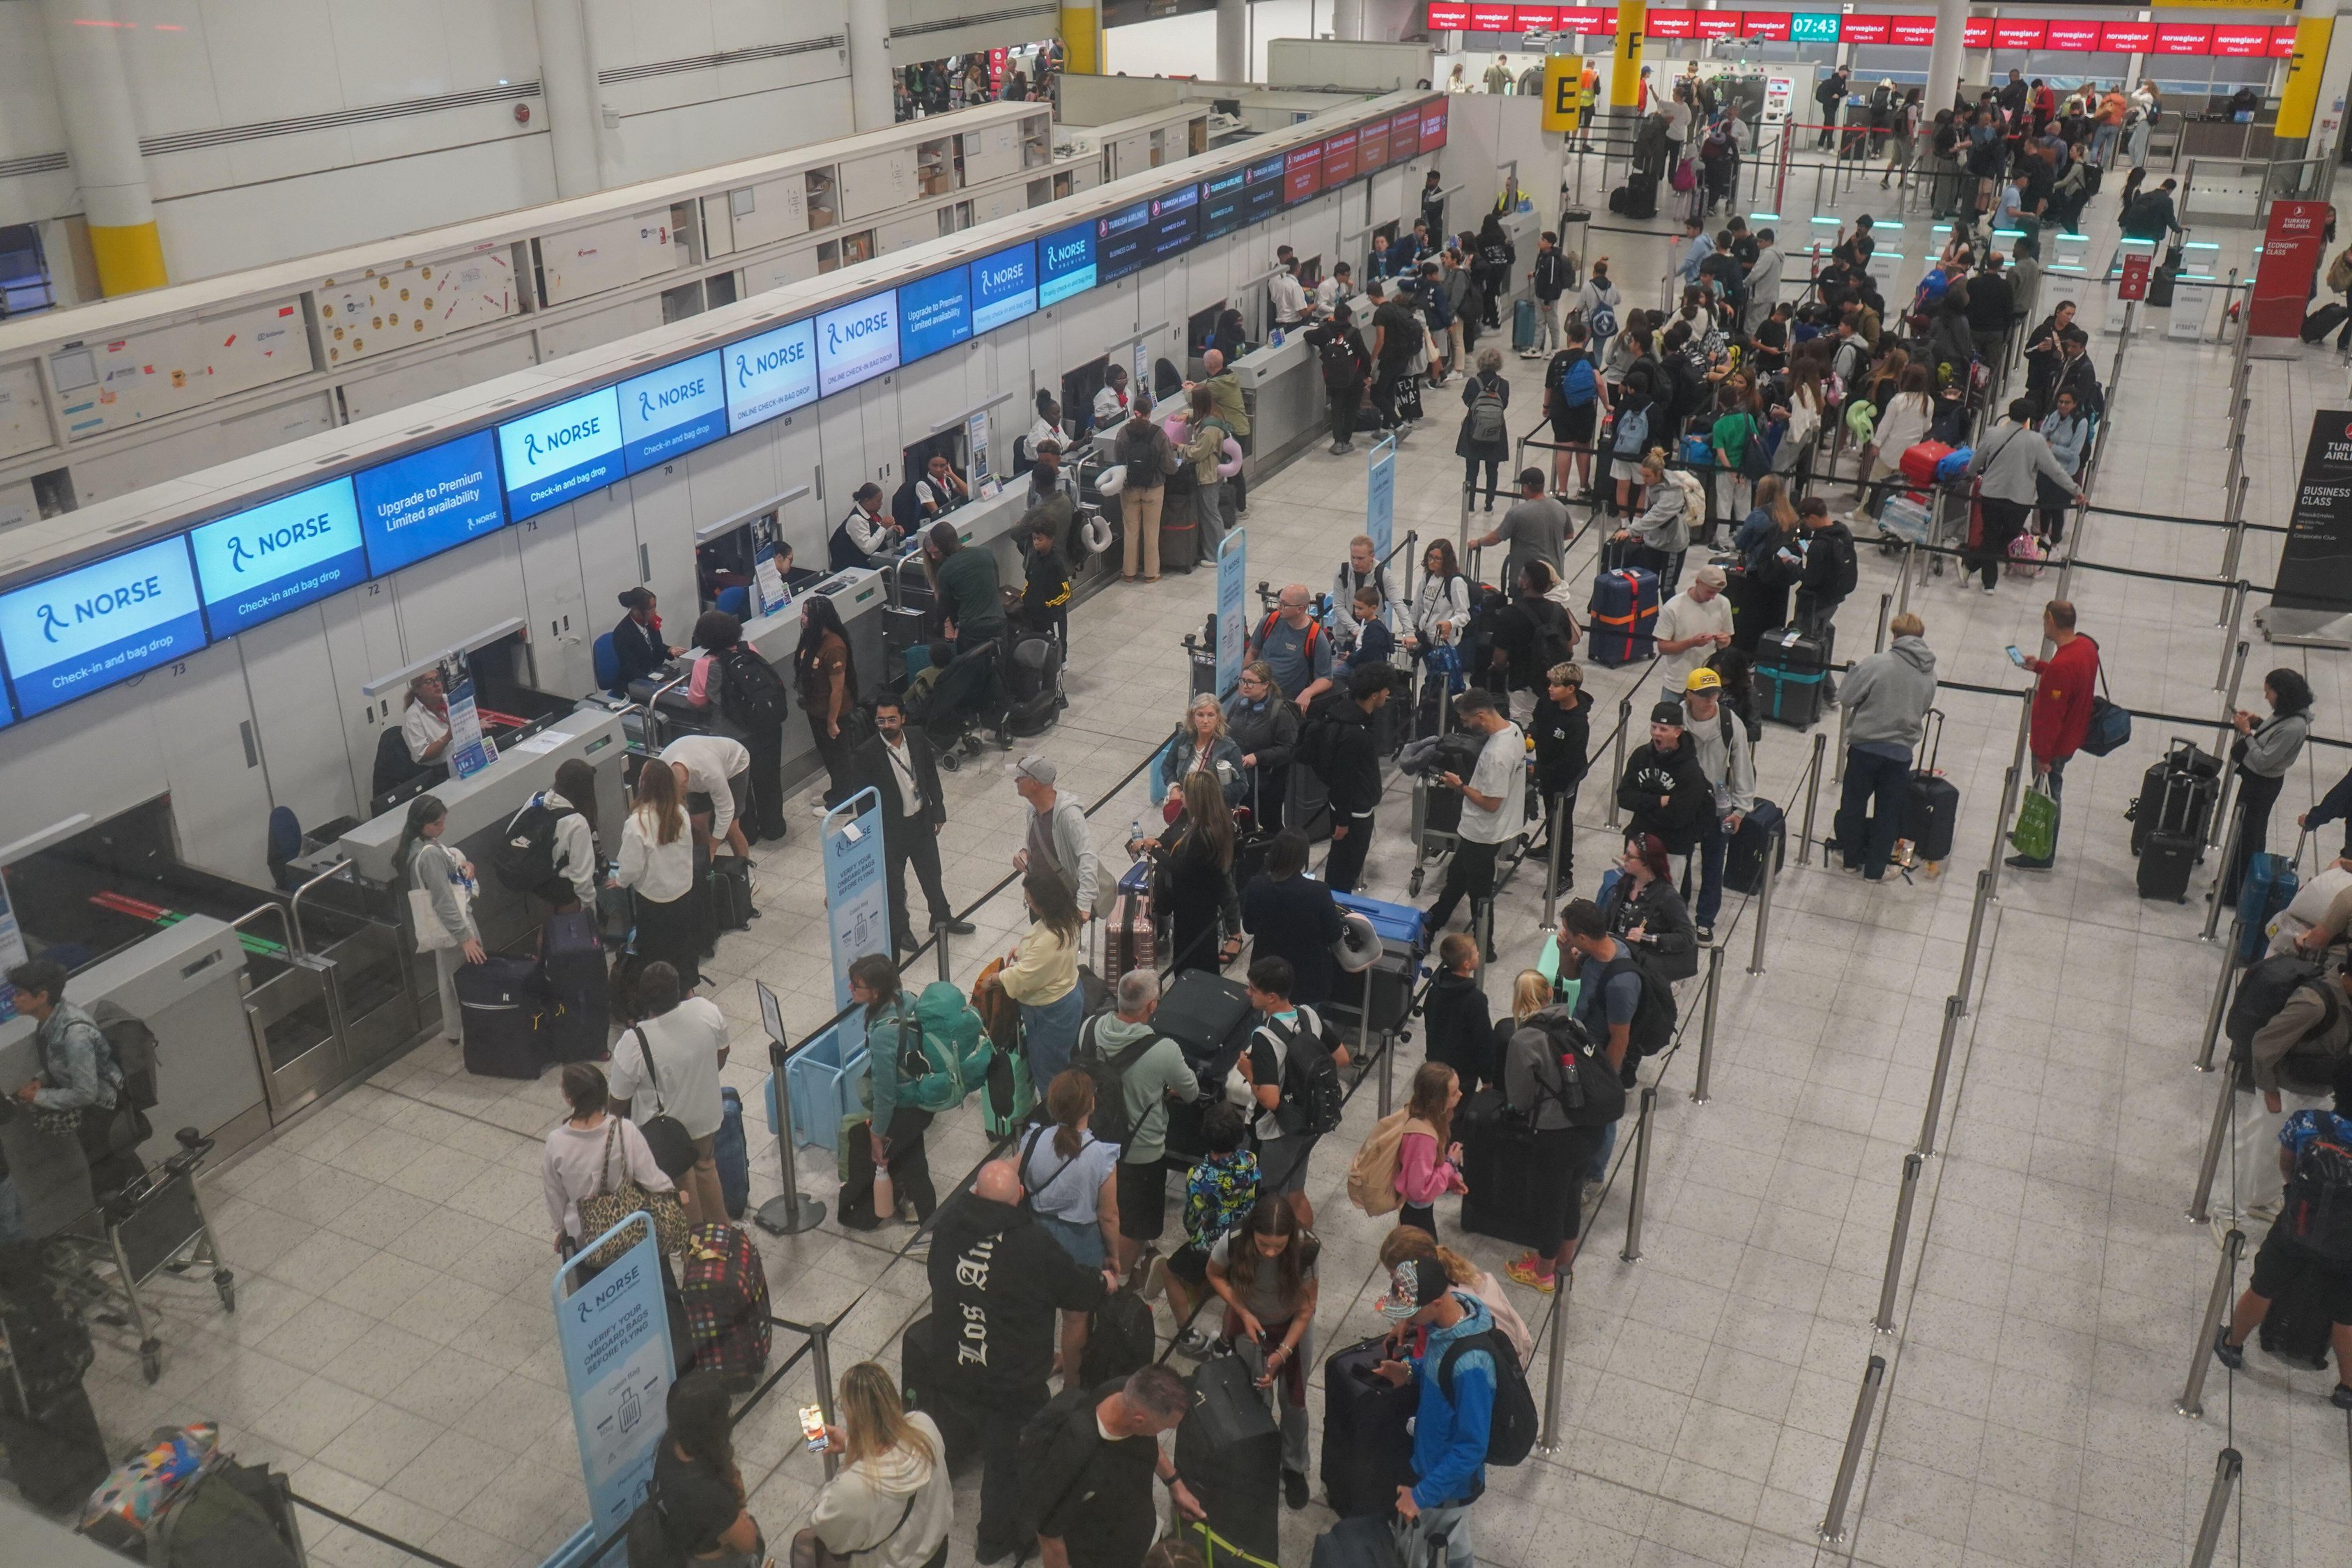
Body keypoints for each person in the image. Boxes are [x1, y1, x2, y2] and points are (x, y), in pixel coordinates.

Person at [928, 1159, 1116, 1565]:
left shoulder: (945, 1229)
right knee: (1006, 1464)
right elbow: (1077, 1291)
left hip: (951, 1365)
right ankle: (994, 1543)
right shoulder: (1032, 1244)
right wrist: (1104, 1282)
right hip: (1006, 1386)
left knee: (961, 1430)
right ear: (1020, 1199)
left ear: (975, 1194)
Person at [2209, 1057, 2352, 1410]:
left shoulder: (2308, 1122)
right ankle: (2347, 1387)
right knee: (2346, 1315)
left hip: (2295, 1228)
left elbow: (2287, 1164)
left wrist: (2296, 1199)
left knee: (2263, 1287)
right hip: (2347, 1249)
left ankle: (2233, 1343)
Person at [1369, 1256, 1494, 1568]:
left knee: (1423, 1551)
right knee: (1456, 1540)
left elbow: (1472, 1447)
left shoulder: (1473, 1365)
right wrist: (1410, 1371)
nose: (1407, 1321)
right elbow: (1440, 1368)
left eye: (1411, 1313)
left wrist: (1421, 1495)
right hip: (1434, 1465)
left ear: (1436, 1303)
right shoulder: (1445, 1327)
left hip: (1447, 1484)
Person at [1082, 970, 1203, 1275]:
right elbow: (1191, 1093)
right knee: (1135, 1224)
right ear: (1151, 1006)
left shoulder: (1089, 1028)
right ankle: (1116, 1280)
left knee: (1101, 1208)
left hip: (1092, 1140)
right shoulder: (1164, 1050)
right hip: (1140, 1152)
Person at [1206, 1196, 1323, 1505]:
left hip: (1292, 1327)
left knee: (1294, 1401)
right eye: (1263, 1245)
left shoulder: (1307, 1249)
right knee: (1254, 1398)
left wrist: (1283, 1352)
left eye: (1279, 1246)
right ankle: (1256, 1462)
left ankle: (1294, 1466)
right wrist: (1243, 1313)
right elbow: (1215, 1274)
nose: (1271, 1252)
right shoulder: (1232, 1241)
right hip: (1251, 1324)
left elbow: (1305, 1309)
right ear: (1251, 1235)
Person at [1022, 1367, 1201, 1568]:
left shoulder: (1126, 1391)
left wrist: (1175, 1484)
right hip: (1099, 1554)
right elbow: (1049, 1537)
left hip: (1134, 1528)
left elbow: (1148, 1443)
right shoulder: (1076, 1456)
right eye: (1166, 1427)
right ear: (1139, 1420)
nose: (1169, 1431)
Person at [796, 1362, 953, 1568]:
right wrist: (849, 1443)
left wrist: (849, 1461)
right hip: (936, 1551)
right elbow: (893, 1454)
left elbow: (828, 1532)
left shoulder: (853, 1486)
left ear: (853, 1415)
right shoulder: (923, 1428)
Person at [6, 958, 141, 1197]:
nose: (14, 1000)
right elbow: (62, 1064)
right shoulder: (51, 1022)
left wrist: (39, 1096)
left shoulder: (74, 1035)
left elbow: (85, 1093)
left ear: (42, 997)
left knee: (111, 1177)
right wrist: (42, 1080)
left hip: (103, 1114)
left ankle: (136, 1221)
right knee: (117, 1168)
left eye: (20, 994)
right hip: (94, 1113)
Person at [608, 962, 728, 1228]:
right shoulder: (706, 1011)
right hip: (705, 1115)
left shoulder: (634, 1042)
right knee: (706, 1168)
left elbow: (617, 1100)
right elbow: (721, 1055)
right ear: (678, 991)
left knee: (681, 1184)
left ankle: (694, 1249)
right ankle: (724, 1239)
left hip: (666, 1134)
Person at [1019, 1070, 1123, 1379]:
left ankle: (1040, 1365)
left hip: (1036, 1234)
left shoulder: (1033, 1138)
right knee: (1076, 1318)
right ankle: (1073, 1385)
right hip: (1081, 1242)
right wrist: (1114, 1254)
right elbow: (1108, 1215)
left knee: (1037, 1309)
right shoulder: (1101, 1156)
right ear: (1090, 1105)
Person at [856, 694, 971, 957]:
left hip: (921, 821)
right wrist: (872, 836)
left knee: (932, 873)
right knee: (895, 887)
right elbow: (863, 801)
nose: (886, 725)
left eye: (892, 719)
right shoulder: (866, 754)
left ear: (903, 718)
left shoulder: (917, 736)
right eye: (881, 720)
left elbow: (930, 774)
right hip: (891, 832)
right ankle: (902, 928)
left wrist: (938, 810)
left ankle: (942, 917)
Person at [1240, 956, 1348, 1228]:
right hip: (1311, 1117)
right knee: (1296, 1192)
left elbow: (1270, 1099)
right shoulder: (1309, 1015)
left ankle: (1279, 1256)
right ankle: (1305, 1251)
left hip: (1281, 1129)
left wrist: (1248, 1072)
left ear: (1272, 997)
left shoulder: (1264, 1037)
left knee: (1272, 1199)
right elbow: (1343, 1057)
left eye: (1253, 989)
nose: (1248, 993)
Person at [1420, 687, 1527, 948]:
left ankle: (1484, 946)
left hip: (1484, 831)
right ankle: (1433, 922)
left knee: (1480, 894)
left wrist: (1459, 786)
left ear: (1480, 715)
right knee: (1457, 878)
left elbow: (1491, 803)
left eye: (1467, 721)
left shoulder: (1496, 754)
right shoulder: (1513, 729)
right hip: (1485, 830)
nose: (1465, 726)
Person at [1836, 613, 1937, 879]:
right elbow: (1924, 708)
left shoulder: (1876, 663)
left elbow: (1845, 698)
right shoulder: (1930, 674)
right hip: (1901, 752)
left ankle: (1850, 860)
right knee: (1888, 812)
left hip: (1866, 748)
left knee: (1854, 805)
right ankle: (1875, 871)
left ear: (1895, 636)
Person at [542, 1062, 674, 1255]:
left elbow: (554, 1194)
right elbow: (652, 1179)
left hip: (583, 1237)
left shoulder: (557, 1142)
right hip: (630, 1226)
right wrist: (674, 1196)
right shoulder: (625, 1130)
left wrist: (562, 1228)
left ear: (569, 1099)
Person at [2009, 599, 2100, 870]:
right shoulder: (2086, 646)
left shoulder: (2064, 664)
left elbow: (2051, 718)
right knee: (2043, 792)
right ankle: (2032, 832)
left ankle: (2041, 854)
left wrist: (2044, 757)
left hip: (2055, 745)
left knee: (2049, 795)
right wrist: (2040, 667)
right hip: (2073, 735)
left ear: (2050, 620)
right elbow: (2070, 681)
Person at [685, 612, 788, 843]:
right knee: (769, 780)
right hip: (766, 727)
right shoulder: (748, 648)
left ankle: (748, 834)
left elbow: (697, 700)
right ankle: (774, 828)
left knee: (739, 788)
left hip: (732, 738)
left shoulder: (705, 664)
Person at [1967, 399, 2086, 594]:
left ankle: (1975, 567)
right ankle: (1986, 578)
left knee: (1990, 535)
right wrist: (2076, 490)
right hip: (2020, 499)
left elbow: (1976, 462)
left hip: (1991, 494)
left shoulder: (1992, 433)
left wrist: (1971, 473)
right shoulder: (2036, 441)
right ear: (2028, 418)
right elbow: (2055, 471)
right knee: (2009, 536)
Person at [647, 1373, 765, 1564]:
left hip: (684, 1548)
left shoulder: (669, 1445)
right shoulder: (711, 1493)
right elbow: (749, 1543)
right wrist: (740, 1507)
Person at [2224, 670, 2316, 905]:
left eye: (2268, 691)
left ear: (2281, 694)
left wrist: (2247, 734)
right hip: (2259, 782)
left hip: (2261, 784)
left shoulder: (2295, 726)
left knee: (2247, 835)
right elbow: (2274, 735)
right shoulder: (2289, 714)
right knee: (2252, 832)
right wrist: (2257, 723)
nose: (2265, 696)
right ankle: (2240, 882)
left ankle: (2234, 891)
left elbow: (2265, 759)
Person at [397, 794, 483, 1045]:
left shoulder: (417, 846)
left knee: (450, 981)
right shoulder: (430, 854)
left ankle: (455, 1031)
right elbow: (443, 900)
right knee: (469, 983)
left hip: (444, 929)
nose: (442, 827)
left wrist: (464, 865)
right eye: (437, 823)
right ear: (421, 824)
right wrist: (465, 937)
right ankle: (476, 1040)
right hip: (456, 924)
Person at [1677, 668, 1754, 942]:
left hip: (1719, 794)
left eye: (1715, 693)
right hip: (1684, 797)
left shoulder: (1730, 723)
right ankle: (1678, 909)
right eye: (1703, 694)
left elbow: (1742, 765)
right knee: (1679, 856)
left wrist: (1741, 809)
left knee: (1713, 860)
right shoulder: (1677, 718)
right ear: (1689, 695)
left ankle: (1705, 920)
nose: (1710, 699)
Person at [617, 754, 703, 990]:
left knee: (655, 951)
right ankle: (687, 989)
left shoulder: (637, 823)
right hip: (683, 891)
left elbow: (631, 867)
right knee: (683, 944)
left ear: (643, 784)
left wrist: (620, 881)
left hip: (653, 899)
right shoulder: (681, 813)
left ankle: (659, 995)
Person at [996, 870, 1087, 1087]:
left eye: (1029, 902)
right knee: (1064, 1060)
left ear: (1044, 904)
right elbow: (1049, 960)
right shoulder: (1068, 917)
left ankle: (1056, 1115)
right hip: (1069, 996)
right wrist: (1025, 951)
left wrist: (996, 978)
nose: (1028, 904)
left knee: (1050, 1075)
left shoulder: (1050, 939)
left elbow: (1024, 977)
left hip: (1049, 1013)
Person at [1241, 829, 1346, 1008]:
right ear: (1303, 858)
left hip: (1267, 977)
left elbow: (1249, 927)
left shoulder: (1255, 886)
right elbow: (1334, 934)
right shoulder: (1319, 892)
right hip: (1308, 981)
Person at [1312, 664, 1392, 895]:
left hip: (1347, 809)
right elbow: (1343, 778)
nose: (1388, 694)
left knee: (1341, 870)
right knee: (1343, 875)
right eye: (1386, 690)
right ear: (1375, 694)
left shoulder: (1343, 716)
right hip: (1353, 816)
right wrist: (1343, 822)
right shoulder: (1356, 733)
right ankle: (1337, 918)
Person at [1151, 775, 1238, 974]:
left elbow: (1181, 868)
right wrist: (1159, 843)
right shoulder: (1209, 821)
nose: (1181, 794)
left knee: (1194, 953)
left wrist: (1154, 852)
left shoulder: (1202, 836)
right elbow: (1173, 835)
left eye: (1185, 792)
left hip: (1195, 905)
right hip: (1200, 901)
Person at [1617, 702, 1713, 868]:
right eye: (1654, 727)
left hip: (1672, 848)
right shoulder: (1641, 756)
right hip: (1639, 841)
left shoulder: (1690, 770)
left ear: (1678, 732)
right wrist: (1658, 801)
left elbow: (1678, 817)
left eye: (1663, 729)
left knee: (1667, 892)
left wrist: (1643, 807)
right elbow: (1624, 797)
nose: (1656, 733)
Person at [1007, 754, 1098, 923]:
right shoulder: (1032, 810)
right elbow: (1035, 842)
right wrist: (1024, 853)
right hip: (1038, 897)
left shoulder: (1070, 815)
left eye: (1020, 778)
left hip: (1062, 900)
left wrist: (1084, 905)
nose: (1015, 781)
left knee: (1061, 947)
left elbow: (1088, 857)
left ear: (1034, 784)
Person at [1487, 562, 1578, 728]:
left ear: (1526, 583)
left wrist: (1498, 667)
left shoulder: (1510, 614)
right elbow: (1569, 648)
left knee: (1523, 731)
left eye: (1521, 576)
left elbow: (1499, 658)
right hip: (1554, 687)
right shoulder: (1559, 611)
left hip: (1523, 686)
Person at [1601, 831, 1698, 978]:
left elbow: (1687, 937)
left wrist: (1649, 938)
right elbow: (1609, 919)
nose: (1623, 858)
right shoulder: (1625, 884)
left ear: (1646, 862)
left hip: (1642, 969)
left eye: (1630, 856)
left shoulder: (1668, 897)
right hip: (1616, 958)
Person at [1529, 661, 1591, 881]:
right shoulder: (1549, 702)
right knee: (1550, 814)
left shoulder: (1578, 724)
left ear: (1571, 689)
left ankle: (1565, 872)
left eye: (1556, 685)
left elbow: (1570, 763)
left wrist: (1538, 771)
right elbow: (1538, 720)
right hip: (1546, 769)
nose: (1550, 689)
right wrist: (1532, 735)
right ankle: (1550, 846)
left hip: (1566, 780)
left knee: (1562, 821)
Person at [1226, 660, 1301, 829]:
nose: (1245, 686)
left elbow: (1288, 749)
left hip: (1268, 780)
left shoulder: (1280, 713)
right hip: (1240, 777)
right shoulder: (1239, 704)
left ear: (1266, 684)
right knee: (1243, 820)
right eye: (1243, 681)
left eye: (1251, 682)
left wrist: (1258, 757)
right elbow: (1226, 732)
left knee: (1269, 821)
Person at [523, 758, 604, 912]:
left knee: (548, 929)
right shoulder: (578, 823)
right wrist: (589, 909)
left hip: (536, 881)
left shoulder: (536, 799)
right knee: (568, 934)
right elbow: (582, 878)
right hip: (563, 892)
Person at [1613, 448, 1693, 594]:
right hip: (1653, 542)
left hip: (1673, 546)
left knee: (1667, 589)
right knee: (1648, 585)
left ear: (1659, 473)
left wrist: (1631, 531)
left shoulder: (1673, 492)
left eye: (1647, 476)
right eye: (1642, 475)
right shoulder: (1653, 484)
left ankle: (1670, 616)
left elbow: (1655, 516)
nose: (1644, 480)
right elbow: (1648, 511)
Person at [1114, 392, 1175, 583]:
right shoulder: (1158, 434)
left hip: (1129, 488)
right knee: (1151, 531)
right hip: (1154, 488)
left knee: (1131, 530)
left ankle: (1129, 573)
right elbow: (1168, 466)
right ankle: (1151, 574)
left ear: (1135, 412)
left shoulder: (1123, 432)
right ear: (1150, 412)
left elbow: (1118, 460)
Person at [1421, 934, 1492, 1097]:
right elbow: (1483, 1041)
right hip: (1463, 1072)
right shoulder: (1476, 999)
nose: (1479, 954)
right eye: (1475, 952)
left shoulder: (1434, 990)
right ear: (1466, 964)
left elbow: (1429, 1023)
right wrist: (1487, 1078)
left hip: (1436, 1065)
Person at [1474, 470, 1569, 592]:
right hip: (1555, 577)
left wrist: (1478, 542)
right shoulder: (1559, 507)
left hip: (1527, 580)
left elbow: (1496, 538)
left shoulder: (1518, 512)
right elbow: (1569, 534)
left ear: (1525, 487)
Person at [1542, 321, 1607, 498]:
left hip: (1561, 407)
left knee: (1563, 447)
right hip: (1584, 407)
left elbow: (1549, 386)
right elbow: (1599, 383)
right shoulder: (1588, 357)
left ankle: (1562, 491)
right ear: (1585, 338)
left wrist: (1546, 407)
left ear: (1569, 337)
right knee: (1583, 447)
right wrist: (1607, 405)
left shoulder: (1557, 358)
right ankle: (1584, 487)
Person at [1652, 564, 1734, 696]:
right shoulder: (1674, 607)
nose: (1713, 597)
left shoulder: (1723, 603)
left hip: (1707, 683)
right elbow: (1663, 647)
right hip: (1678, 683)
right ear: (1697, 582)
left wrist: (1724, 641)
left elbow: (1727, 639)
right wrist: (1691, 643)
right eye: (1710, 592)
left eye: (1717, 592)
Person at [1158, 693, 1247, 806]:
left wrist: (1205, 794)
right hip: (1185, 806)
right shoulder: (1182, 740)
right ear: (1192, 717)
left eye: (1210, 715)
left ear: (1218, 718)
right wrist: (1174, 787)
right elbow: (1167, 766)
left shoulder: (1229, 747)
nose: (1205, 721)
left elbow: (1242, 785)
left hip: (1212, 810)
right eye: (1200, 715)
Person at [1454, 347, 1513, 514]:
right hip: (1496, 432)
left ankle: (1470, 504)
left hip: (1473, 431)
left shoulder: (1473, 383)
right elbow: (1505, 405)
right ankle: (1489, 505)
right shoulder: (1504, 385)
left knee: (1471, 469)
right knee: (1492, 470)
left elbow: (1467, 400)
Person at [1309, 302, 1372, 454]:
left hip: (1334, 378)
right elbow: (1364, 355)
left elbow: (1308, 336)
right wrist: (1367, 374)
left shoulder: (1326, 330)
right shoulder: (1354, 332)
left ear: (1334, 316)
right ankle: (1346, 442)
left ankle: (1337, 443)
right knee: (1351, 409)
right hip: (1355, 377)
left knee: (1337, 409)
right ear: (1349, 317)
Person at [2036, 387, 2091, 545]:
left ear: (2075, 404)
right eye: (2060, 401)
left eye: (2067, 403)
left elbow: (2073, 453)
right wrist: (2046, 446)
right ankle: (2043, 535)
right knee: (2044, 505)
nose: (2063, 405)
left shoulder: (2081, 422)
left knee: (2058, 509)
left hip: (2065, 472)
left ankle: (2054, 543)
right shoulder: (2053, 416)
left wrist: (2051, 447)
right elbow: (2042, 435)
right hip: (2045, 469)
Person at [1181, 385, 1231, 553]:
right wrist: (1185, 415)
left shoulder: (1210, 430)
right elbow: (1197, 415)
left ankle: (1217, 554)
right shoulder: (1215, 414)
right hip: (1212, 472)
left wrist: (1178, 447)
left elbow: (1197, 453)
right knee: (1209, 514)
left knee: (1211, 515)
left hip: (1208, 475)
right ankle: (1213, 551)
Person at [1327, 534, 1397, 654]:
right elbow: (1338, 606)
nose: (1355, 562)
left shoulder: (1383, 574)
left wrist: (1410, 632)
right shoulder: (1342, 572)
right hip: (1344, 637)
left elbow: (1398, 603)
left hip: (1373, 639)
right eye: (1353, 557)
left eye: (1360, 558)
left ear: (1372, 557)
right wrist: (1356, 630)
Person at [1368, 279, 1422, 431]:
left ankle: (1398, 425)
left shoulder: (1381, 313)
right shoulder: (1396, 308)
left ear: (1372, 296)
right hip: (1402, 358)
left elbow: (1380, 340)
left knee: (1377, 395)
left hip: (1389, 358)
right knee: (1389, 393)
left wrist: (1370, 361)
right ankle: (1385, 428)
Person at [1407, 539, 1473, 658]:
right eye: (1430, 557)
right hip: (1426, 639)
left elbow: (1464, 615)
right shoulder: (1427, 577)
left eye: (1437, 559)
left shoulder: (1456, 582)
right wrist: (1410, 631)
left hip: (1445, 644)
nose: (1432, 562)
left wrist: (1450, 623)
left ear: (1446, 560)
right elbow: (1417, 607)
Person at [610, 587, 681, 691]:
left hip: (654, 675)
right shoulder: (622, 633)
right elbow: (631, 670)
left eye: (655, 606)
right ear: (636, 610)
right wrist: (656, 684)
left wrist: (669, 650)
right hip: (635, 683)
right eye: (650, 608)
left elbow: (656, 647)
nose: (655, 611)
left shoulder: (650, 623)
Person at [832, 482, 905, 570]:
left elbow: (877, 536)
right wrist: (883, 528)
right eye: (878, 501)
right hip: (857, 567)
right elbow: (868, 549)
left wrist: (892, 530)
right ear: (867, 501)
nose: (881, 504)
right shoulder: (856, 520)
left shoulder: (871, 514)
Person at [1525, 231, 1570, 359]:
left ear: (1550, 244)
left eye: (1543, 239)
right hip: (1540, 294)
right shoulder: (1542, 256)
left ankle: (1555, 348)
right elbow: (1542, 272)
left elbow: (1551, 281)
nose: (1540, 241)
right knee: (1539, 322)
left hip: (1548, 297)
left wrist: (1547, 302)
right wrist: (1534, 275)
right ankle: (1537, 347)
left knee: (1552, 323)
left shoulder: (1552, 260)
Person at [400, 665, 453, 770]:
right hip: (440, 771)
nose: (437, 684)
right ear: (417, 690)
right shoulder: (413, 716)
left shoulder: (448, 699)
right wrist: (448, 737)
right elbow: (422, 756)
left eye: (437, 679)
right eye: (429, 682)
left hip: (462, 757)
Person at [1092, 362, 1131, 431]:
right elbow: (1099, 423)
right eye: (1120, 380)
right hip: (1105, 433)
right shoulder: (1103, 396)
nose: (1124, 383)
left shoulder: (1127, 391)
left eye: (1125, 380)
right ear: (1111, 380)